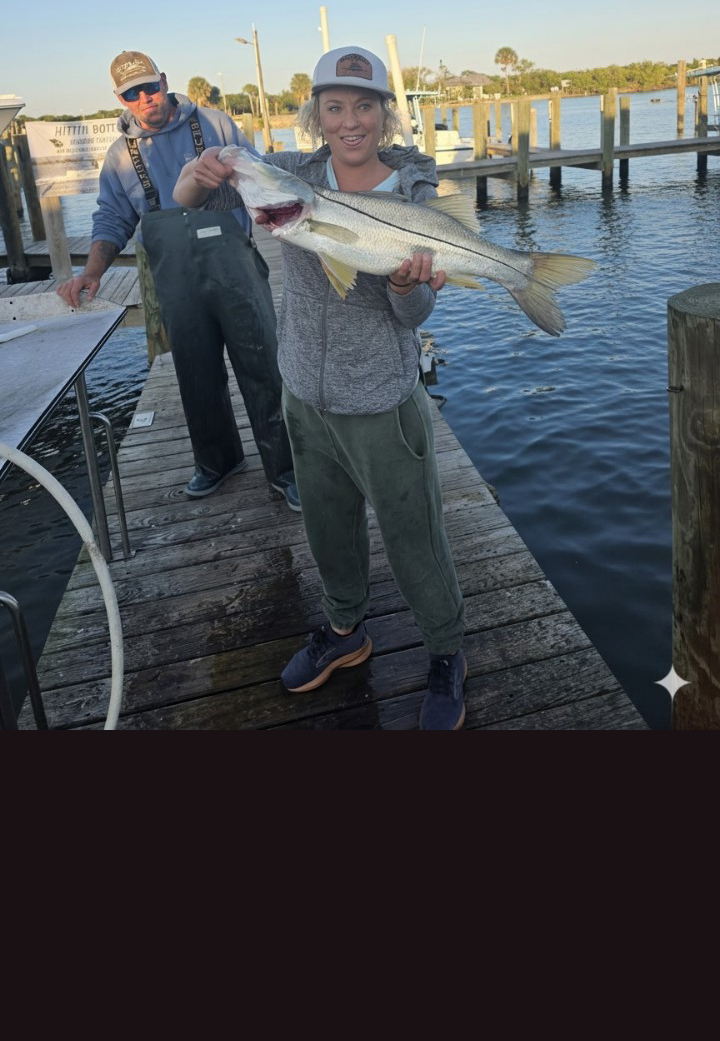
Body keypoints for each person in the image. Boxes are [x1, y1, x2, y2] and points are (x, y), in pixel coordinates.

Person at [173, 45, 467, 729]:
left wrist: (402, 283)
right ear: (316, 115)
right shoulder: (293, 179)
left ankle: (447, 650)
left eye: (365, 105)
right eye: (334, 106)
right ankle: (345, 631)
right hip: (303, 393)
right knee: (327, 527)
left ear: (385, 115)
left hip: (383, 402)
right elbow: (191, 202)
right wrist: (196, 175)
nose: (350, 119)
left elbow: (414, 315)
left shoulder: (414, 191)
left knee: (412, 534)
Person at [56, 49, 299, 510]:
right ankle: (217, 461)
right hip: (175, 279)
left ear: (164, 80)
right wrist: (91, 272)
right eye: (133, 93)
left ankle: (287, 469)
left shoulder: (215, 124)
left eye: (150, 86)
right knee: (194, 372)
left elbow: (259, 177)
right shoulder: (119, 156)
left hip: (236, 268)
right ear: (121, 99)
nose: (145, 98)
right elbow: (112, 217)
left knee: (264, 366)